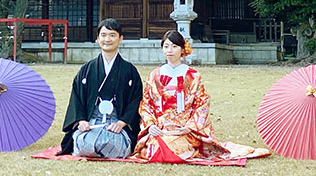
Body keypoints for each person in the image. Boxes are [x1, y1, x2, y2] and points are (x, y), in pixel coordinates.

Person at [134, 30, 270, 163]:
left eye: (174, 46)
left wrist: (190, 126)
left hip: (184, 126)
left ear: (182, 49)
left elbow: (201, 103)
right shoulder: (154, 75)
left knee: (175, 149)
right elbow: (146, 104)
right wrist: (150, 125)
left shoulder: (193, 76)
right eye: (166, 46)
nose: (170, 50)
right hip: (161, 126)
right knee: (154, 150)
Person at [58, 18, 143, 158]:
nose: (107, 39)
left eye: (112, 35)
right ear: (98, 38)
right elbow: (76, 98)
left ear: (120, 38)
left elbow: (136, 100)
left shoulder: (129, 70)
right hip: (92, 123)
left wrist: (122, 122)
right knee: (82, 141)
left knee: (113, 143)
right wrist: (81, 121)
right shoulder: (87, 69)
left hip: (116, 124)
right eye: (103, 35)